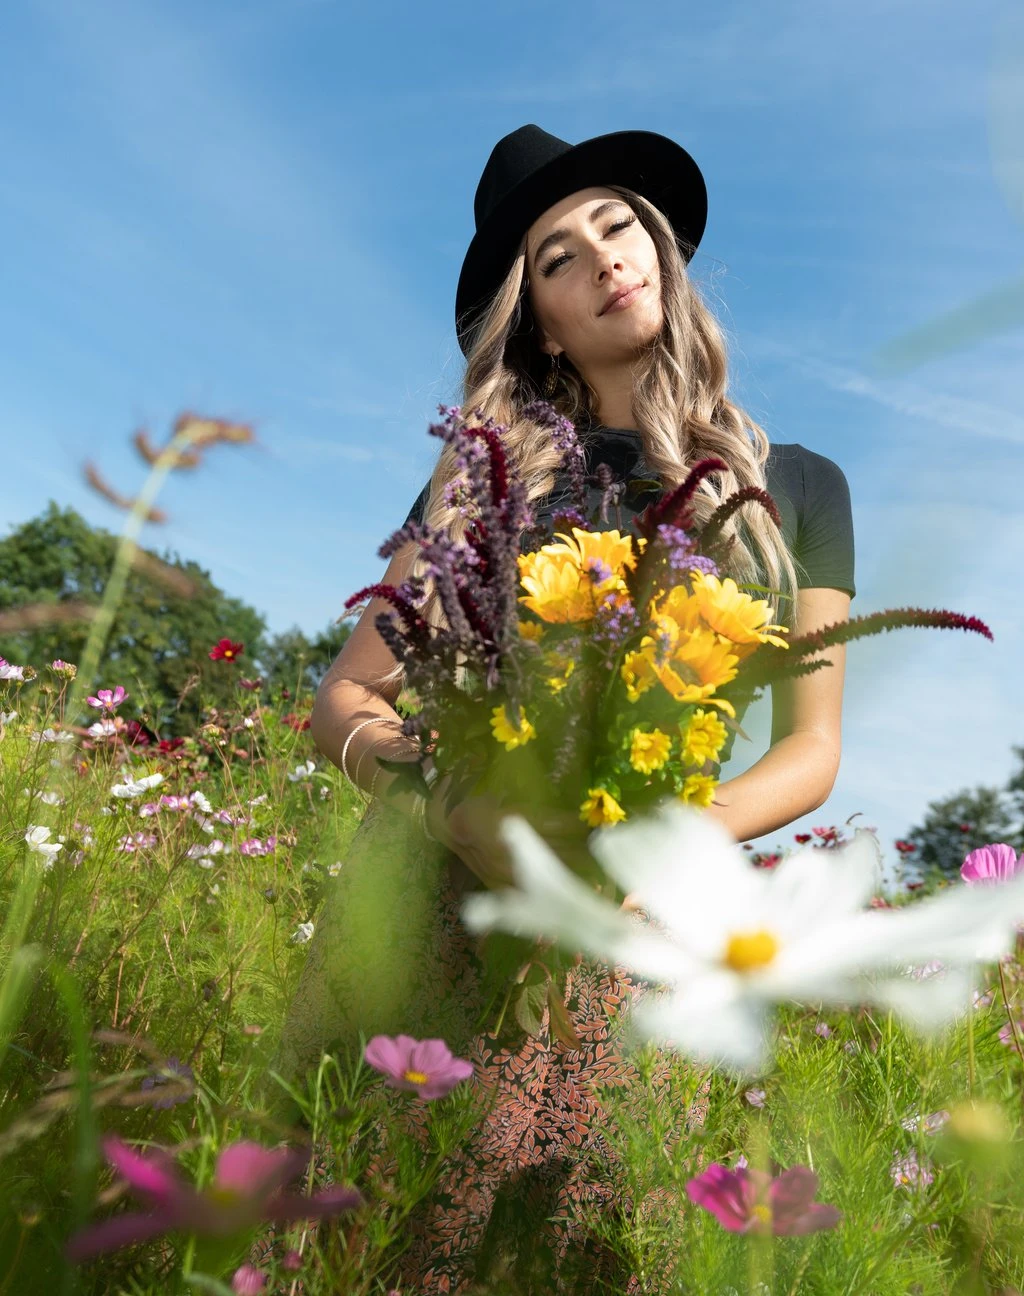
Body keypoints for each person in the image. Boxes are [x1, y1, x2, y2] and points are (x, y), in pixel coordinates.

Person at [275, 124, 856, 1293]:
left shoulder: (797, 486)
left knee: (568, 1247)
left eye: (619, 224)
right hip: (439, 890)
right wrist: (443, 805)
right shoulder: (489, 470)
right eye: (557, 255)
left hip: (632, 918)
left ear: (661, 253)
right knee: (347, 1227)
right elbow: (342, 695)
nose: (603, 257)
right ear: (540, 316)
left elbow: (812, 751)